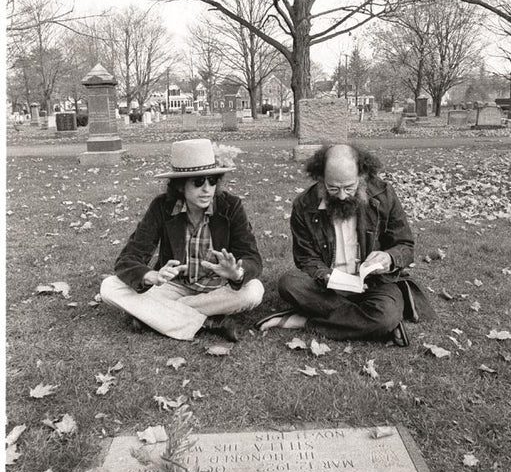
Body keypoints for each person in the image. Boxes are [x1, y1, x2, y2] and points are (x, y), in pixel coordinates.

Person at [255, 142, 435, 345]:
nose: (341, 196)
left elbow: (405, 244)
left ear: (362, 175)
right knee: (289, 283)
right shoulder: (304, 205)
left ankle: (306, 321)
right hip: (328, 285)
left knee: (386, 314)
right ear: (321, 177)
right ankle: (371, 323)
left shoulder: (384, 195)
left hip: (375, 283)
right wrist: (327, 276)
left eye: (349, 187)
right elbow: (305, 258)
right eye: (333, 188)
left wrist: (389, 257)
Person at [100, 138, 264, 342]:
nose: (207, 189)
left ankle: (152, 316)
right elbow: (128, 259)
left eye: (212, 181)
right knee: (109, 287)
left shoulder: (230, 206)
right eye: (198, 182)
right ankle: (208, 323)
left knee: (254, 291)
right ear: (180, 186)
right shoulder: (162, 207)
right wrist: (151, 275)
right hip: (173, 287)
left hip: (218, 288)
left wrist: (236, 273)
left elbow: (252, 258)